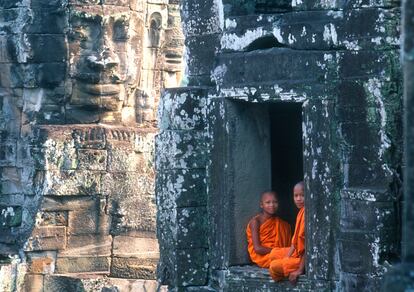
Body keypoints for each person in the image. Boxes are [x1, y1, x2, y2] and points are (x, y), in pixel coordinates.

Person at [268, 181, 305, 284]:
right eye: (296, 195)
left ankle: (300, 267)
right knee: (273, 254)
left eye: (302, 195)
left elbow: (306, 246)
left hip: (306, 259)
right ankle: (290, 264)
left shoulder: (307, 213)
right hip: (298, 253)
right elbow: (295, 242)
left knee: (274, 266)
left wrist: (300, 270)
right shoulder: (301, 212)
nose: (298, 199)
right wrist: (287, 258)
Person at [246, 191, 292, 268]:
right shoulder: (256, 222)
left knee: (294, 255)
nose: (272, 205)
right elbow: (258, 249)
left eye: (275, 202)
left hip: (279, 255)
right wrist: (279, 251)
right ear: (261, 205)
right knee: (292, 255)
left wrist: (281, 252)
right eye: (268, 202)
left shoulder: (283, 224)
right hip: (264, 257)